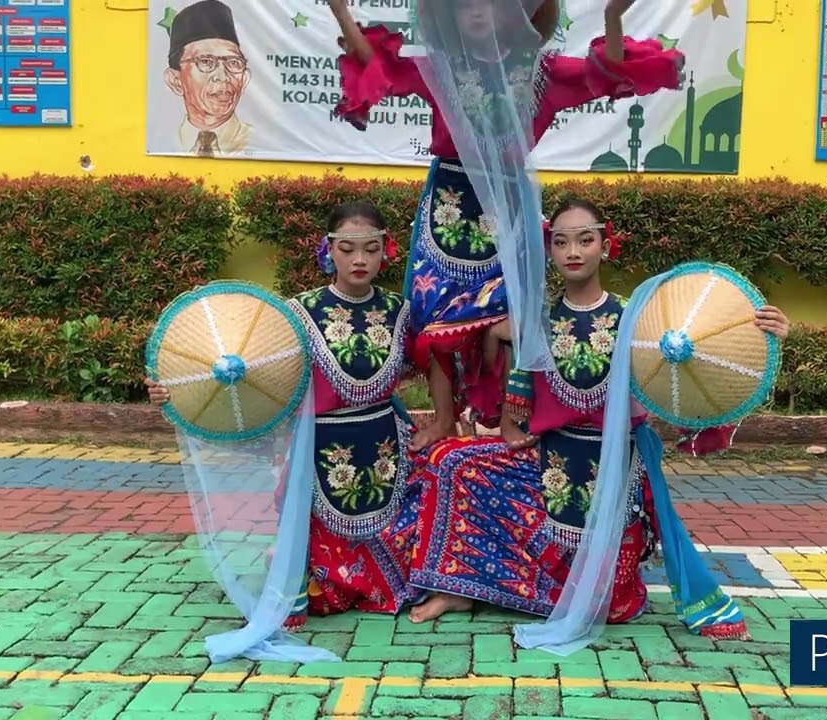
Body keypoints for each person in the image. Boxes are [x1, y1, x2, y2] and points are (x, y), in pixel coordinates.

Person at [405, 198, 790, 634]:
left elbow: (703, 357)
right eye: (562, 242)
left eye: (585, 240)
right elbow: (512, 395)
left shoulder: (638, 319)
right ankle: (462, 588)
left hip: (615, 472)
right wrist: (496, 346)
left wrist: (758, 336)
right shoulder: (537, 320)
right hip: (549, 460)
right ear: (550, 252)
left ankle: (532, 590)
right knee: (450, 461)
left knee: (611, 605)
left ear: (605, 247)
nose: (573, 251)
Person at [328, 0, 686, 451]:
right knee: (434, 316)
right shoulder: (438, 67)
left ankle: (511, 419)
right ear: (447, 14)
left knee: (514, 318)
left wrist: (613, 16)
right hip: (450, 203)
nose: (477, 11)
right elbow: (374, 62)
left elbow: (611, 70)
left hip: (509, 206)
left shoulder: (543, 70)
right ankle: (443, 419)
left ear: (520, 12)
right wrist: (340, 11)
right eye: (465, 5)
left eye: (494, 3)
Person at [148, 202, 424, 626]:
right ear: (328, 250)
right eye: (347, 248)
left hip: (387, 439)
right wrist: (180, 388)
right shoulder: (296, 314)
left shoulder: (399, 310)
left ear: (385, 250)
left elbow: (437, 362)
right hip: (320, 445)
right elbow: (247, 368)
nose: (359, 259)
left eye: (370, 248)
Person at [163, 0, 253, 157]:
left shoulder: (256, 141)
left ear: (244, 79)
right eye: (205, 61)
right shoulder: (165, 140)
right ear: (176, 81)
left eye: (233, 63)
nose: (223, 77)